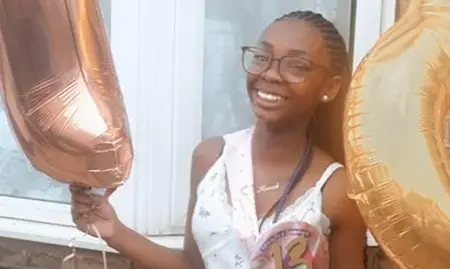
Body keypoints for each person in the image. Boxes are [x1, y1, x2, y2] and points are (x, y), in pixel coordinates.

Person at [70, 10, 367, 269]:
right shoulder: (211, 159)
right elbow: (192, 265)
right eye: (262, 57)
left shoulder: (336, 191)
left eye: (296, 65)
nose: (270, 74)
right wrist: (113, 231)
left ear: (330, 87)